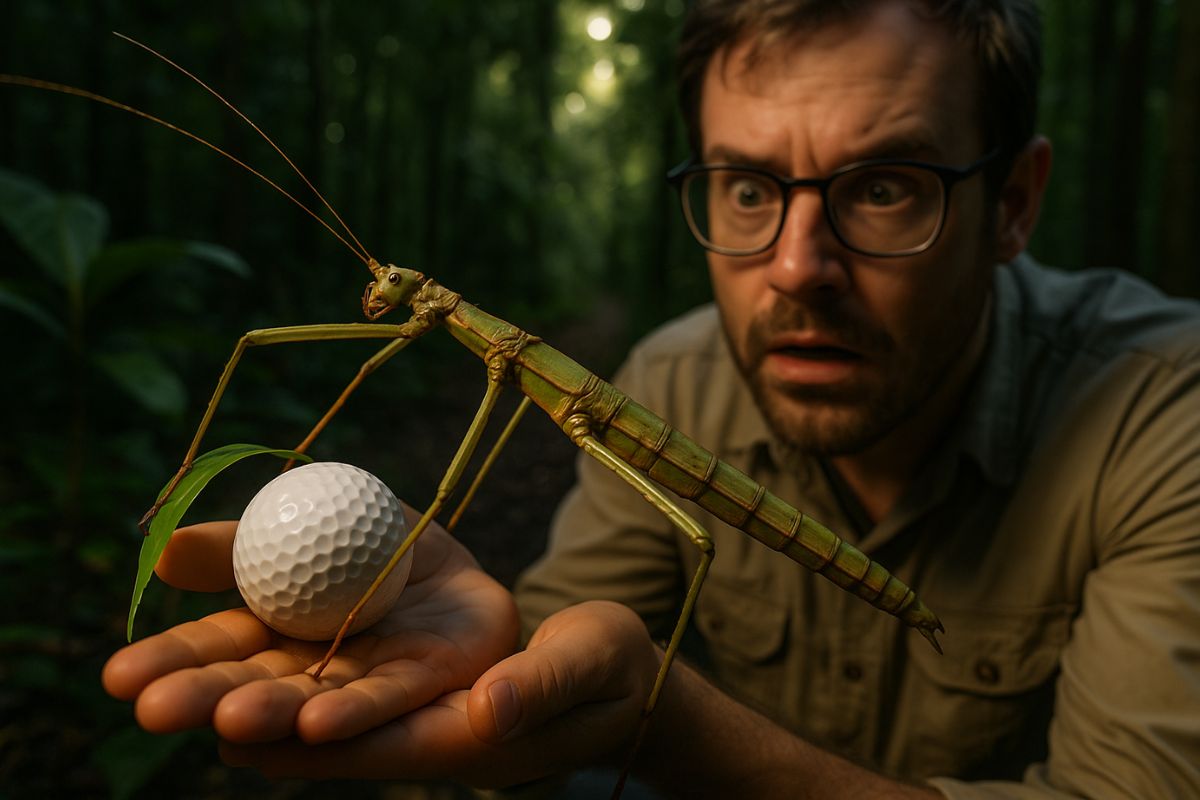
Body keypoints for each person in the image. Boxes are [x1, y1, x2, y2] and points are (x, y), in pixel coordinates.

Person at [103, 0, 1200, 797]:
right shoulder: (668, 368)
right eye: (747, 187)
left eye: (884, 186)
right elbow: (542, 655)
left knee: (692, 563)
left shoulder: (1164, 405)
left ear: (1013, 204)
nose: (798, 268)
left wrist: (662, 723)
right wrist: (464, 643)